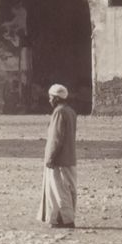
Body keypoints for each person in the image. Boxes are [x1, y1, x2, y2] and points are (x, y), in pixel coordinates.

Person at [37, 83, 78, 228]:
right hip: (69, 157)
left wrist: (50, 158)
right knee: (67, 189)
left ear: (56, 98)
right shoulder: (71, 112)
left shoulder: (59, 113)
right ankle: (60, 218)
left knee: (60, 191)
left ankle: (66, 220)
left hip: (60, 159)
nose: (49, 100)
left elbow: (56, 138)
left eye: (50, 97)